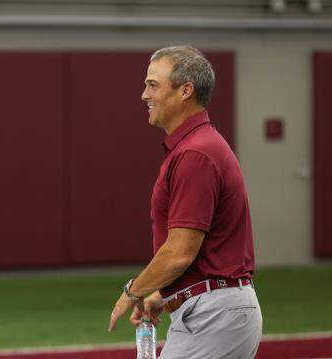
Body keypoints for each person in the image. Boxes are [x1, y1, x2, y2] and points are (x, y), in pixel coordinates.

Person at [107, 46, 262, 358]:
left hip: (213, 316)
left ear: (185, 91)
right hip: (214, 311)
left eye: (153, 84)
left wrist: (131, 292)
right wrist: (164, 296)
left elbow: (180, 252)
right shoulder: (198, 146)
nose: (143, 95)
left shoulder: (195, 153)